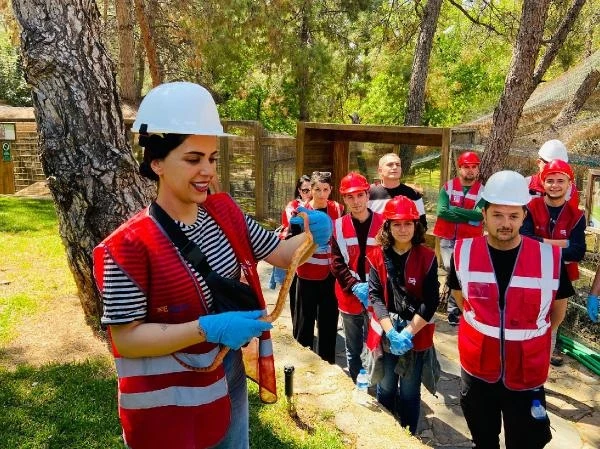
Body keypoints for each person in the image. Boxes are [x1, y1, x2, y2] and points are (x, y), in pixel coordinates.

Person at [92, 82, 332, 449]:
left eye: (212, 158)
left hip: (227, 376)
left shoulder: (225, 213)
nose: (207, 170)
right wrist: (207, 329)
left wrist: (315, 232)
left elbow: (281, 254)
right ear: (156, 162)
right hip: (167, 399)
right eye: (193, 159)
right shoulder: (129, 246)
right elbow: (125, 339)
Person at [447, 170, 574, 449]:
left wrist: (532, 337)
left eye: (514, 216)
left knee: (526, 443)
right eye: (498, 215)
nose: (506, 223)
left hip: (526, 373)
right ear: (485, 214)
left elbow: (557, 312)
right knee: (484, 439)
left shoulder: (549, 258)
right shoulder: (463, 253)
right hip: (478, 371)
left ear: (524, 216)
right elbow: (461, 297)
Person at [365, 195, 440, 435]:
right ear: (387, 226)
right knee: (385, 387)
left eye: (408, 223)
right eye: (396, 223)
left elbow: (430, 301)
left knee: (409, 391)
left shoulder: (427, 257)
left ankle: (408, 437)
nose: (403, 229)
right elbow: (375, 296)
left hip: (415, 333)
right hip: (387, 332)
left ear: (416, 225)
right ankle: (386, 436)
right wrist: (391, 332)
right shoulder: (376, 255)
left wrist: (407, 332)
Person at [520, 159, 586, 366]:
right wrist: (561, 243)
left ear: (569, 184)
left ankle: (539, 377)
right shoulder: (530, 208)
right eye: (550, 180)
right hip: (530, 275)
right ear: (542, 182)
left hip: (561, 279)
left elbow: (577, 251)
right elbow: (523, 240)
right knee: (525, 321)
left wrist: (540, 244)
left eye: (560, 180)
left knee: (551, 326)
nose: (555, 185)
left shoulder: (577, 215)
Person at [330, 172, 384, 382]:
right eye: (350, 197)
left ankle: (375, 383)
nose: (356, 201)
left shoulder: (384, 223)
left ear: (367, 195)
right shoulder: (338, 225)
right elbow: (335, 262)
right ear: (344, 199)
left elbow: (388, 262)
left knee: (375, 343)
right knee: (352, 347)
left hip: (377, 295)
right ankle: (358, 383)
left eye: (360, 195)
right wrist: (353, 286)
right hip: (349, 294)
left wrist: (372, 288)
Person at [292, 170, 344, 364]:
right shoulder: (301, 211)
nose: (321, 194)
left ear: (331, 190)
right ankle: (303, 362)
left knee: (329, 320)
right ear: (309, 190)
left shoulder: (338, 209)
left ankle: (327, 360)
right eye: (317, 189)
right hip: (306, 272)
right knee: (304, 321)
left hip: (331, 273)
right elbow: (293, 241)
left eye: (325, 189)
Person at [432, 151, 485, 325]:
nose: (470, 170)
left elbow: (479, 216)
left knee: (462, 273)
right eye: (466, 167)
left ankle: (455, 311)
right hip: (447, 239)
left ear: (478, 169)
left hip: (469, 241)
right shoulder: (448, 187)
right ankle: (452, 307)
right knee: (451, 269)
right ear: (459, 168)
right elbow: (441, 211)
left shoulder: (482, 191)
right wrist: (467, 216)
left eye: (474, 167)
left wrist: (453, 211)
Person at [269, 175, 312, 338]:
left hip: (311, 254)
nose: (308, 193)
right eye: (305, 190)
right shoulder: (293, 206)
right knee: (294, 291)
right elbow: (293, 224)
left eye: (311, 190)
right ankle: (297, 328)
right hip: (293, 251)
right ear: (299, 191)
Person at [368, 153, 428, 230]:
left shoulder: (413, 194)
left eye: (398, 165)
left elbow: (422, 225)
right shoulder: (369, 193)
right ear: (380, 171)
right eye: (390, 164)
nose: (395, 167)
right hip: (374, 241)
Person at [526, 139, 579, 210]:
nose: (553, 168)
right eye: (549, 164)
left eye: (560, 165)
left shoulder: (570, 190)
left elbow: (572, 218)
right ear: (539, 163)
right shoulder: (525, 185)